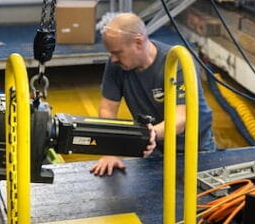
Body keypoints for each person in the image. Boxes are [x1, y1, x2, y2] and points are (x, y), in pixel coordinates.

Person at [89, 13, 216, 176]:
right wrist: (109, 151)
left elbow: (180, 119)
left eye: (118, 53)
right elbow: (107, 109)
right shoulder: (116, 65)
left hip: (195, 148)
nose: (113, 59)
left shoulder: (177, 62)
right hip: (154, 147)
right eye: (111, 53)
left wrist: (151, 134)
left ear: (138, 42)